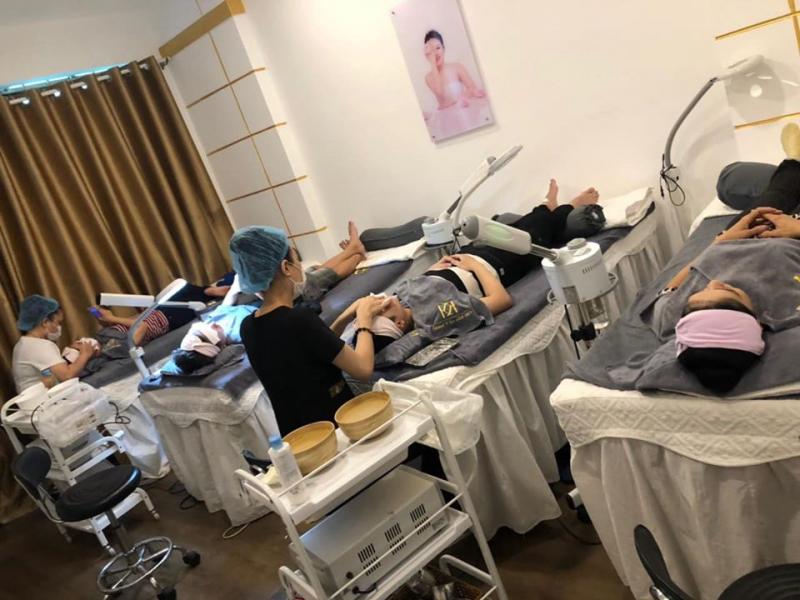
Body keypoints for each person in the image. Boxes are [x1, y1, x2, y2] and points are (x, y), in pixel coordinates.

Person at [351, 180, 601, 351]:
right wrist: (475, 266)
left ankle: (547, 206)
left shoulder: (403, 301)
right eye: (382, 311)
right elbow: (501, 300)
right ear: (399, 324)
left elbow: (425, 283)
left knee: (516, 226)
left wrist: (437, 267)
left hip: (471, 256)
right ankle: (569, 206)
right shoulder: (436, 319)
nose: (382, 303)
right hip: (496, 266)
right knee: (536, 233)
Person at [651, 122, 800, 392]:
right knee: (774, 187)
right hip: (788, 236)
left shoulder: (672, 317)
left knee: (730, 179)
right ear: (757, 322)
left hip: (738, 234)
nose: (713, 283)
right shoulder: (789, 309)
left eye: (700, 293)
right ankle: (794, 163)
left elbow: (668, 291)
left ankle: (793, 164)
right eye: (731, 291)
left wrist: (720, 242)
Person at [229, 226, 384, 434]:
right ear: (286, 267)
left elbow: (309, 351)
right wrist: (364, 321)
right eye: (296, 260)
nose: (300, 267)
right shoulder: (298, 319)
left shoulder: (248, 326)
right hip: (334, 430)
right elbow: (363, 369)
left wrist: (344, 318)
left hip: (299, 437)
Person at [11, 295, 99, 393]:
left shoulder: (24, 343)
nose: (59, 327)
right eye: (58, 323)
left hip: (36, 398)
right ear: (45, 322)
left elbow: (51, 370)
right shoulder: (40, 346)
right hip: (42, 400)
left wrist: (72, 351)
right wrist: (85, 354)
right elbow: (67, 376)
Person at [423, 29, 485, 109]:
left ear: (443, 48)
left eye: (438, 48)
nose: (435, 53)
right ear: (427, 55)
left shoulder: (457, 67)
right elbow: (440, 92)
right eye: (431, 51)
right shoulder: (428, 77)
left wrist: (464, 96)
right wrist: (432, 63)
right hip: (445, 114)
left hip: (463, 111)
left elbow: (473, 89)